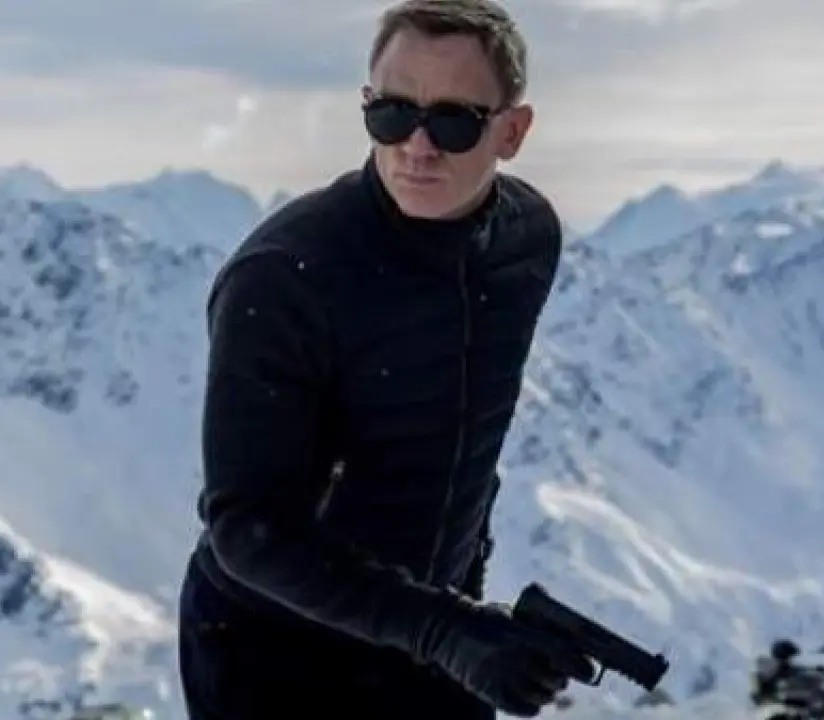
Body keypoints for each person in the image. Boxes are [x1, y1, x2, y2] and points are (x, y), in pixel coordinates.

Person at [176, 0, 595, 717]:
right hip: (274, 653)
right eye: (393, 115)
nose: (417, 146)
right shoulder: (285, 275)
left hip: (433, 634)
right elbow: (248, 530)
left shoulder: (526, 240)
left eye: (455, 121)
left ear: (512, 132)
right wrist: (446, 630)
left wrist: (467, 619)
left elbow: (464, 440)